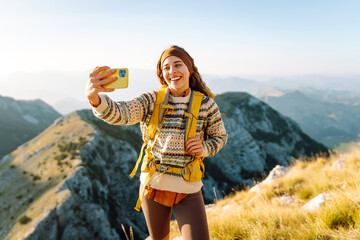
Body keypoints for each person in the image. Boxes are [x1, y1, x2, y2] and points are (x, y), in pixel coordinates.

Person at [85, 45, 228, 240]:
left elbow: (220, 137)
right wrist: (94, 99)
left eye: (178, 65)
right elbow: (121, 114)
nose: (172, 71)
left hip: (188, 189)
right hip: (153, 187)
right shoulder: (151, 100)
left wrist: (204, 148)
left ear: (190, 69)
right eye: (166, 68)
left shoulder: (206, 104)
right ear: (161, 74)